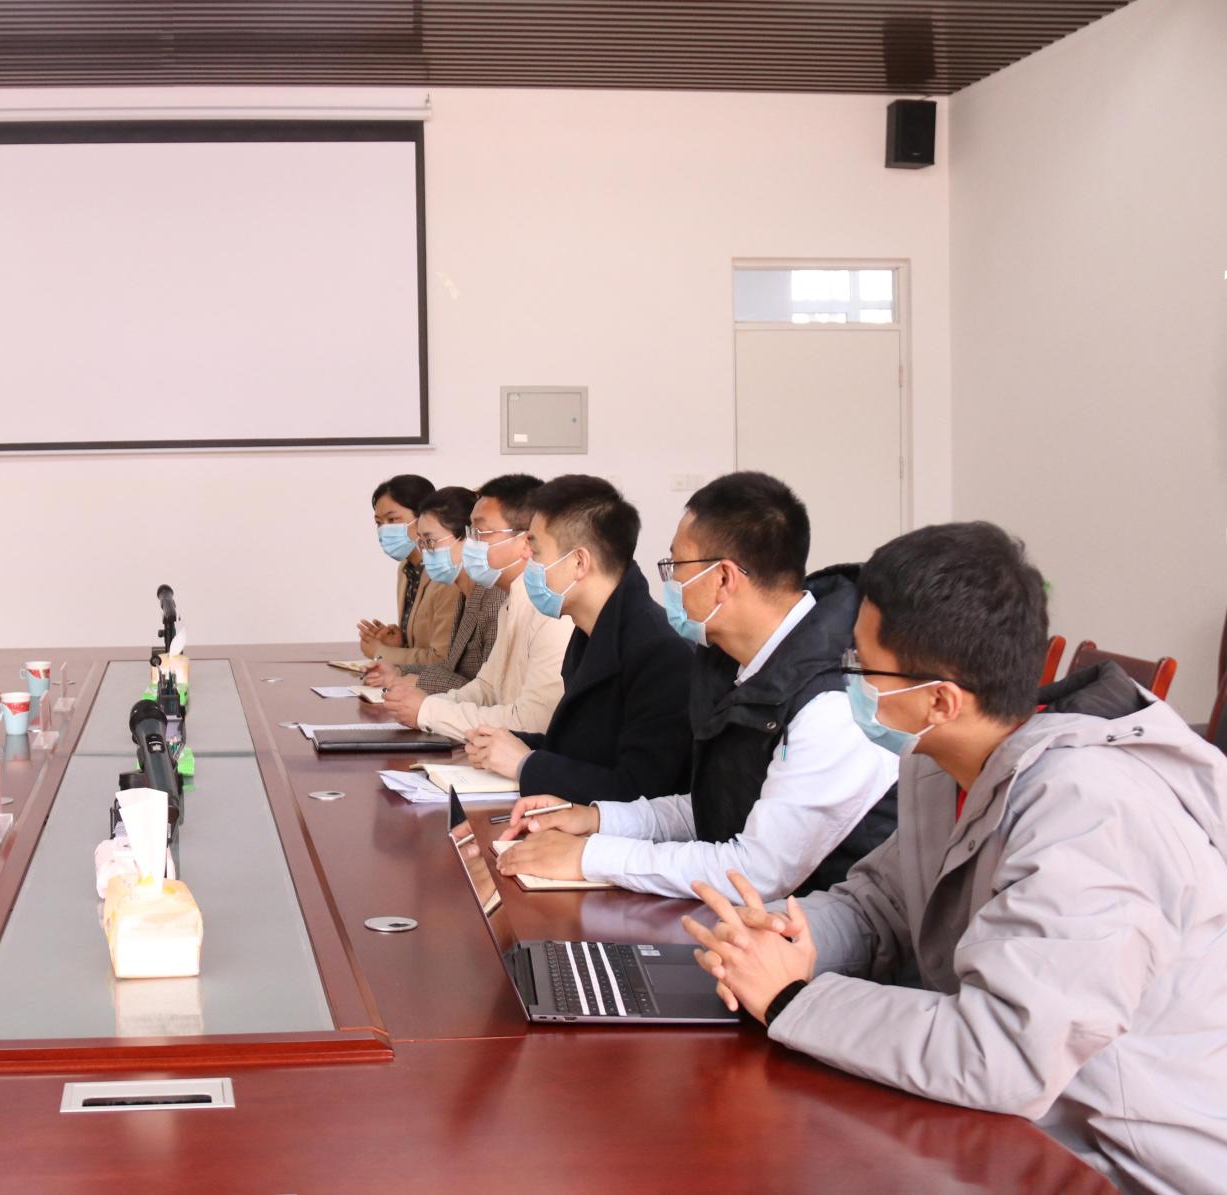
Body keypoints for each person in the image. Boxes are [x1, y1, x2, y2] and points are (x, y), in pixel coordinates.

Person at [682, 522, 1227, 1195]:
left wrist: (794, 995)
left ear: (941, 699)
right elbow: (880, 902)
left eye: (862, 666)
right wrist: (782, 936)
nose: (847, 681)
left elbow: (1000, 1054)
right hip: (1008, 1125)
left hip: (1116, 1162)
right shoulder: (942, 759)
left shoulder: (1092, 811)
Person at [499, 472, 896, 899]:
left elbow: (756, 871)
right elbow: (714, 809)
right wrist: (596, 819)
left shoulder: (832, 702)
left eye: (676, 566)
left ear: (724, 578)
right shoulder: (732, 663)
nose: (669, 583)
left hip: (809, 929)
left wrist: (589, 856)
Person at [463, 475, 692, 807]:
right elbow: (584, 749)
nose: (529, 564)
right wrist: (510, 742)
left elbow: (639, 792)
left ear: (579, 562)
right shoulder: (590, 629)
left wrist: (525, 763)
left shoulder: (660, 652)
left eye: (536, 552)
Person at [383, 481, 572, 738]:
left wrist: (428, 711)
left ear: (526, 541)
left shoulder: (553, 612)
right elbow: (486, 688)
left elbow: (532, 722)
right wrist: (424, 706)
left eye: (480, 532)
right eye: (470, 532)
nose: (471, 543)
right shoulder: (511, 602)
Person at [362, 485, 501, 695]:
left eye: (430, 542)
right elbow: (451, 667)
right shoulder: (465, 595)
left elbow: (488, 691)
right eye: (422, 543)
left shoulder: (494, 601)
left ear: (470, 538)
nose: (425, 552)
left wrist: (414, 681)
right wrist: (398, 671)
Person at [356, 474, 459, 666]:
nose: (384, 530)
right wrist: (398, 644)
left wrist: (381, 652)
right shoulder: (406, 568)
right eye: (379, 522)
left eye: (393, 519)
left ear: (424, 517)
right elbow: (421, 646)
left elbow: (442, 659)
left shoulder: (445, 574)